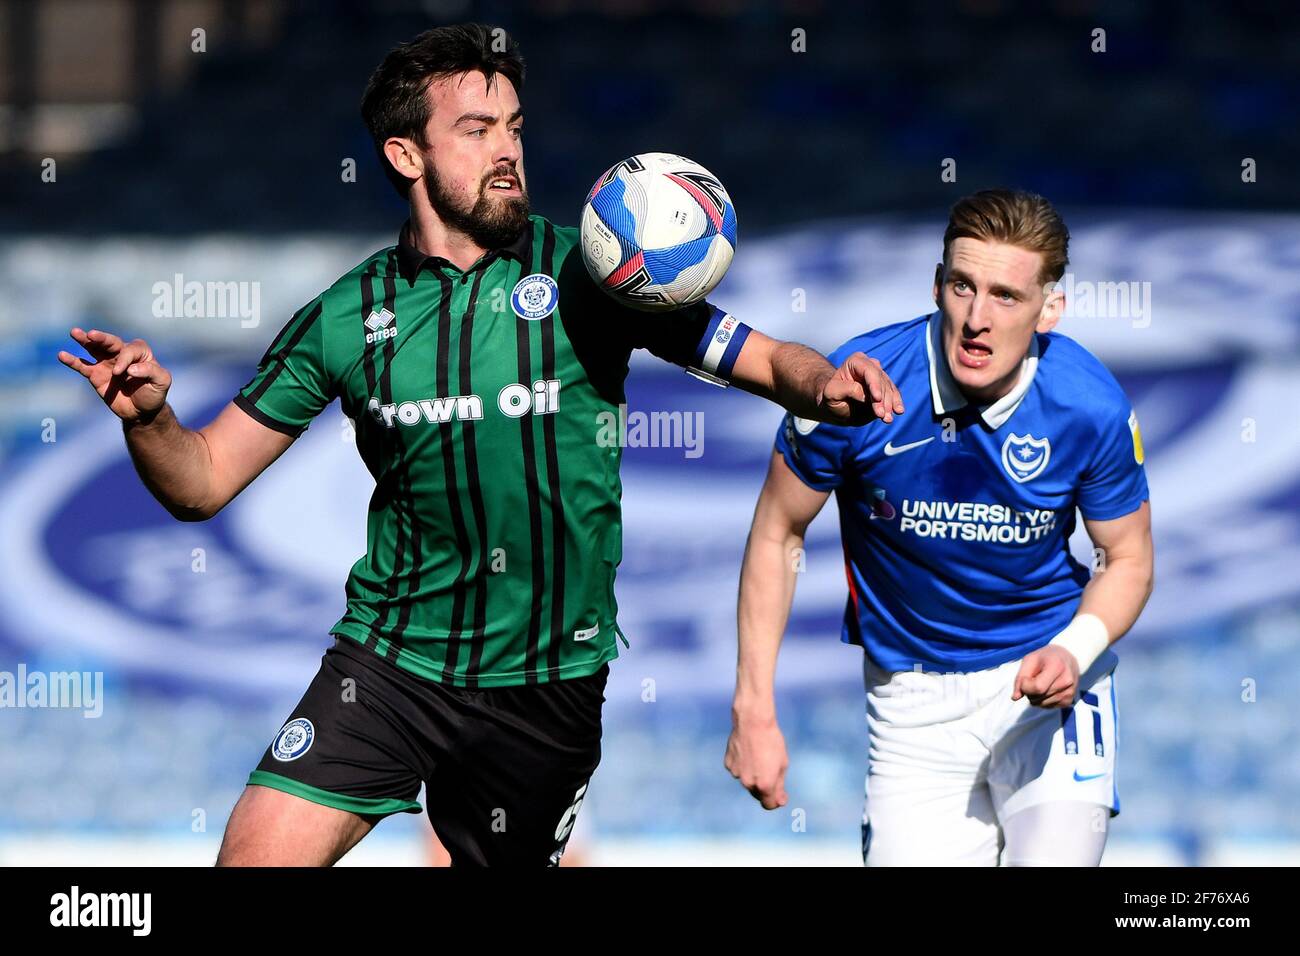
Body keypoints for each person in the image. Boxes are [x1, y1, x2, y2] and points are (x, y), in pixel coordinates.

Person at [58, 23, 903, 866]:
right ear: (405, 156)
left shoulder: (595, 278)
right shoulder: (344, 318)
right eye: (476, 129)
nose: (507, 150)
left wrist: (821, 382)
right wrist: (150, 421)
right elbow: (200, 482)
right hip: (390, 663)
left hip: (545, 685)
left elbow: (760, 356)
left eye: (514, 127)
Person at [725, 189, 1154, 866]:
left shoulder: (1089, 405)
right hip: (910, 706)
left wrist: (1076, 649)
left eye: (1006, 297)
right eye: (962, 286)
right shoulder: (856, 388)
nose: (977, 319)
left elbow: (1126, 558)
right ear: (937, 285)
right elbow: (778, 531)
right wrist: (753, 707)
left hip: (1047, 683)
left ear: (1050, 310)